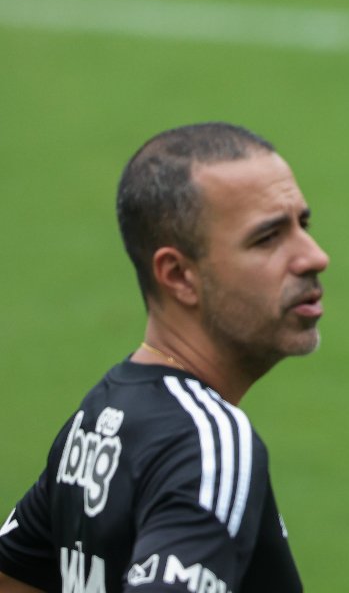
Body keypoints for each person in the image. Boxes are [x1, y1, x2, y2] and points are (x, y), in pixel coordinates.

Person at [0, 123, 328, 592]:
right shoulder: (211, 444)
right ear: (178, 275)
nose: (314, 256)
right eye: (267, 239)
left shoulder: (95, 423)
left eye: (303, 225)